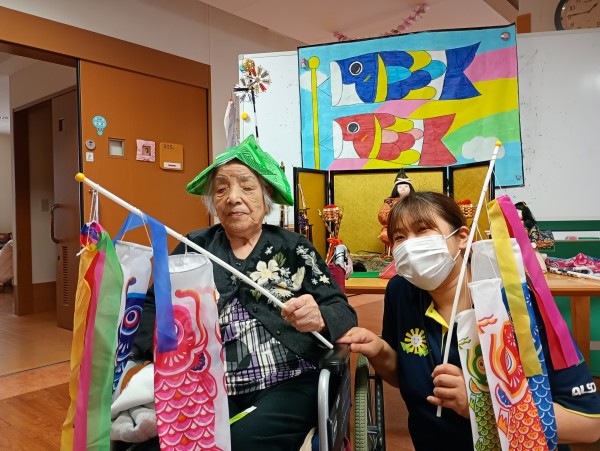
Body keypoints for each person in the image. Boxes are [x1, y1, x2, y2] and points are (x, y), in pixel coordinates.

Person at [130, 135, 358, 451]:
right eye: (221, 189)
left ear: (266, 197)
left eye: (247, 187)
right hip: (206, 383)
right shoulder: (195, 246)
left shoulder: (295, 248)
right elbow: (153, 305)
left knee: (239, 442)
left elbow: (341, 310)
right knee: (168, 444)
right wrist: (160, 349)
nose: (233, 198)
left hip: (287, 381)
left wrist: (319, 316)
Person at [338, 191, 600, 450]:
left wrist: (481, 404)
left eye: (423, 230)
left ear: (462, 237)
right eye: (399, 237)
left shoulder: (515, 302)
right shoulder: (401, 291)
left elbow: (588, 425)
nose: (410, 245)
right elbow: (406, 376)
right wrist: (379, 349)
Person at [377, 168, 414, 255]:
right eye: (400, 187)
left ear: (410, 188)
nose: (403, 188)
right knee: (385, 235)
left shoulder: (415, 201)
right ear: (396, 189)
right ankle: (390, 254)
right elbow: (382, 216)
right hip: (393, 227)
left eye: (406, 186)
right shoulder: (389, 202)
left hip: (412, 226)